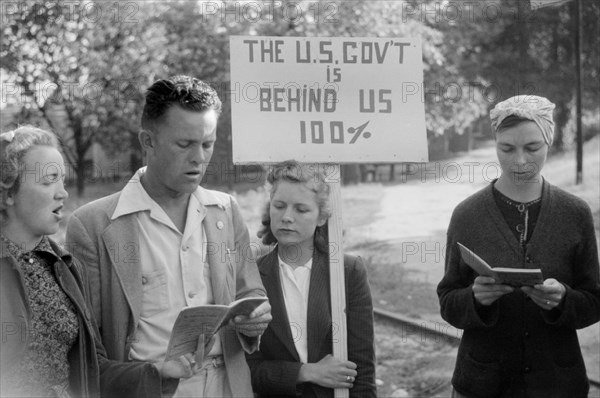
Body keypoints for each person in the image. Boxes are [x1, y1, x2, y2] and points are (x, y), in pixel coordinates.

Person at [66, 75, 271, 397]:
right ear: (147, 141)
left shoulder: (225, 210)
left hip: (227, 386)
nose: (199, 158)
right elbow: (88, 348)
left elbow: (251, 291)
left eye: (207, 144)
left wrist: (255, 318)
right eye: (184, 144)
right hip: (149, 388)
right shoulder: (91, 226)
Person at [0, 125, 196, 397]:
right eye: (48, 181)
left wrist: (156, 371)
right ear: (8, 192)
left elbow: (94, 368)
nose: (62, 193)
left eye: (63, 181)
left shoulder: (65, 267)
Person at [437, 95, 600, 398]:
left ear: (549, 142)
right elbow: (448, 300)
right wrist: (474, 299)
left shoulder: (575, 213)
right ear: (496, 144)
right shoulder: (467, 214)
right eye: (507, 148)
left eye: (532, 148)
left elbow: (593, 301)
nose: (520, 160)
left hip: (557, 384)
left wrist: (563, 299)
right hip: (482, 385)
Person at [247, 161, 377, 398]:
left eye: (301, 209)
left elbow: (363, 370)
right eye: (279, 206)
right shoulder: (252, 276)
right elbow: (249, 369)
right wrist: (305, 372)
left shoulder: (348, 271)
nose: (287, 217)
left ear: (321, 217)